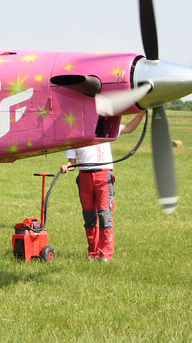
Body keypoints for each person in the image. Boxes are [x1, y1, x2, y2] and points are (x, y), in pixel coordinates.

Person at [60, 111, 146, 261]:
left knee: (104, 214)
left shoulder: (104, 129)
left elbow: (129, 129)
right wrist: (66, 166)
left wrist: (141, 115)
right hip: (84, 177)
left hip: (103, 176)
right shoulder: (73, 136)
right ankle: (92, 253)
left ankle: (105, 253)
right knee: (89, 216)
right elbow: (72, 162)